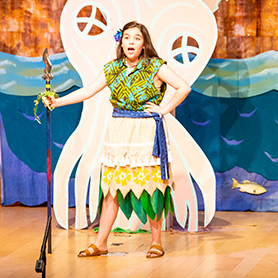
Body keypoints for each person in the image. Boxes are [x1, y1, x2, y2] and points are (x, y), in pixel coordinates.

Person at [47, 21, 191, 258]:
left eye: (136, 38)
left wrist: (164, 109)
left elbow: (183, 87)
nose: (131, 42)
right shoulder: (112, 68)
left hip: (145, 132)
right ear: (121, 42)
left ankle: (156, 241)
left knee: (151, 188)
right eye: (126, 38)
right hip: (119, 132)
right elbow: (88, 91)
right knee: (112, 188)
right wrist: (57, 101)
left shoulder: (155, 66)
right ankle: (101, 242)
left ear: (144, 44)